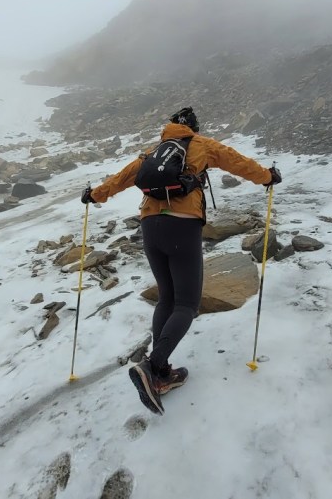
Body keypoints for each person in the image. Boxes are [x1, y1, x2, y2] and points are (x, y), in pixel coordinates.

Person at [80, 107, 281, 414]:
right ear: (194, 127)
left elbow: (121, 178)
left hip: (150, 226)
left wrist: (94, 195)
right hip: (182, 226)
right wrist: (268, 176)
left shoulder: (153, 152)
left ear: (171, 127)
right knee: (186, 304)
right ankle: (152, 366)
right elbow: (238, 162)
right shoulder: (202, 145)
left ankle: (161, 373)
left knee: (167, 298)